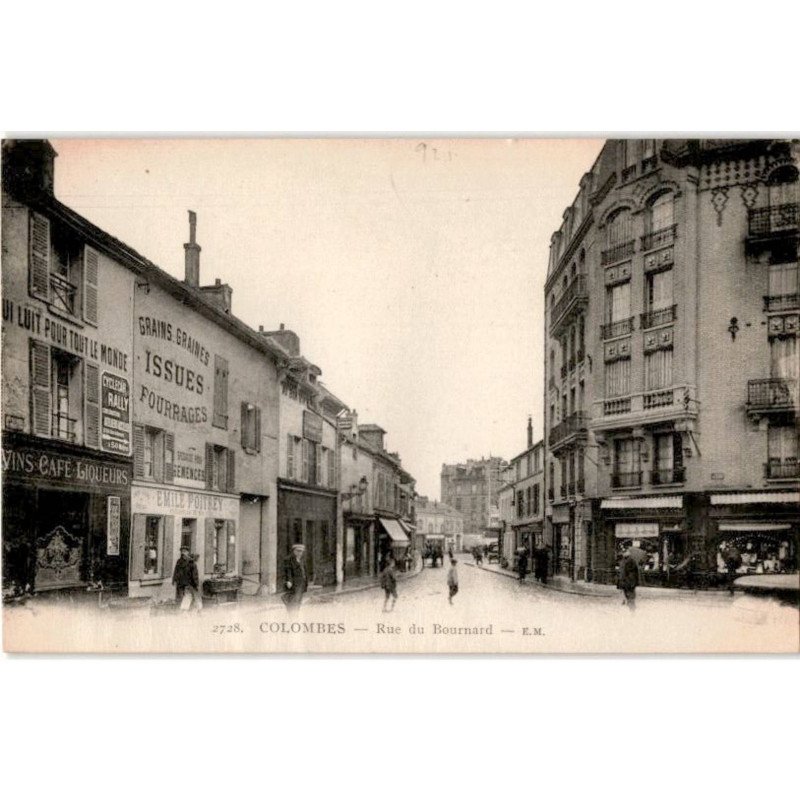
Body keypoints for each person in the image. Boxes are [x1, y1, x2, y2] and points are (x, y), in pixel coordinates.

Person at [173, 546, 200, 611]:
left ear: (188, 552)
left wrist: (195, 584)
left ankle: (188, 610)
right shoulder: (179, 561)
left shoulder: (191, 562)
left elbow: (194, 574)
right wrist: (174, 579)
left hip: (188, 583)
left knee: (189, 597)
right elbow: (176, 571)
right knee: (182, 597)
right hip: (180, 583)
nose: (183, 553)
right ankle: (183, 610)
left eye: (184, 551)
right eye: (182, 551)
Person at [283, 543, 308, 612]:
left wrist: (306, 582)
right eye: (298, 551)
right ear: (294, 551)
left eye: (301, 551)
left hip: (302, 583)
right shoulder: (289, 559)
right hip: (294, 582)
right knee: (293, 599)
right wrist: (289, 580)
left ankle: (296, 614)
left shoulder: (302, 560)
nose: (300, 553)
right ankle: (292, 614)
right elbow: (288, 571)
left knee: (299, 600)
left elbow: (305, 571)